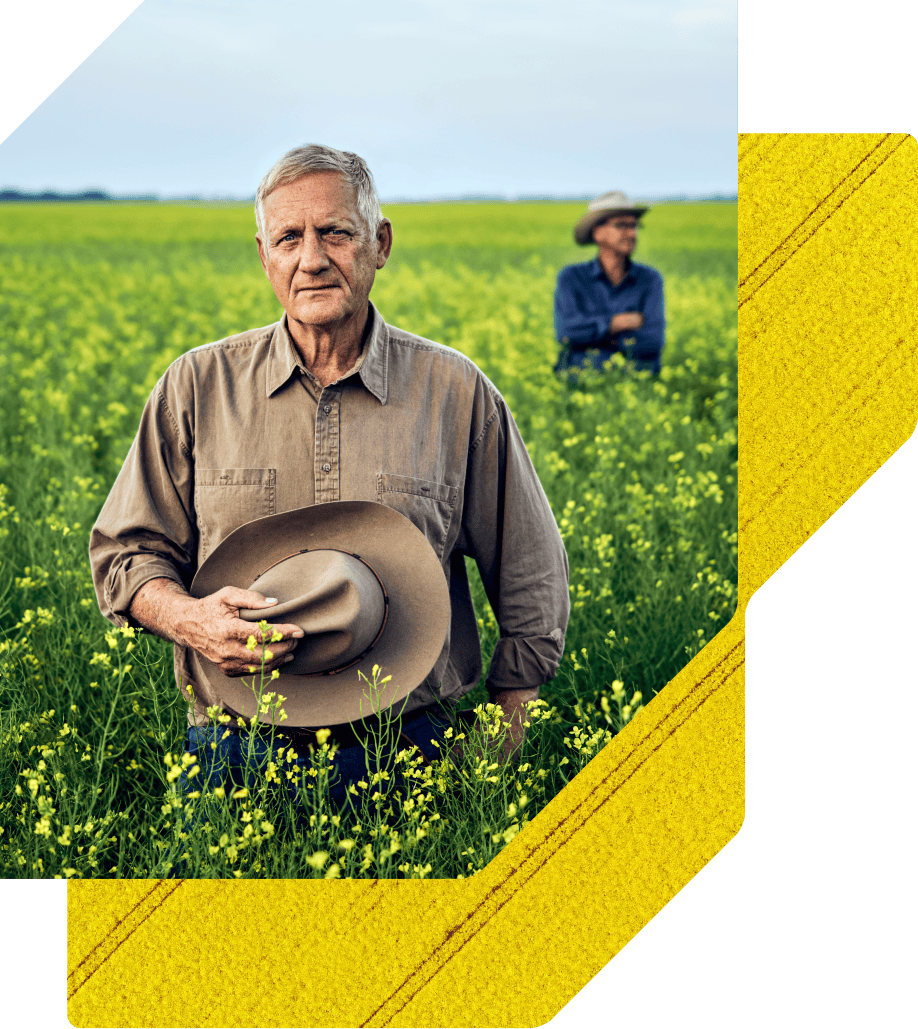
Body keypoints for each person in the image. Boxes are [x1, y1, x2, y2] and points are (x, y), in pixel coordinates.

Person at [88, 144, 570, 809]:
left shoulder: (456, 392)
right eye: (288, 237)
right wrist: (190, 620)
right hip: (237, 749)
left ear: (380, 243)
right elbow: (124, 553)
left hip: (412, 744)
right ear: (265, 256)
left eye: (335, 233)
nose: (310, 258)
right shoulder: (196, 387)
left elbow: (529, 569)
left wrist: (505, 734)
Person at [553, 190, 665, 378]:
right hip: (581, 383)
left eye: (635, 226)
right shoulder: (571, 278)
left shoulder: (650, 280)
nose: (632, 233)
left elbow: (653, 342)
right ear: (597, 233)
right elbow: (567, 334)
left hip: (637, 385)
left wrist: (592, 338)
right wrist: (616, 324)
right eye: (622, 226)